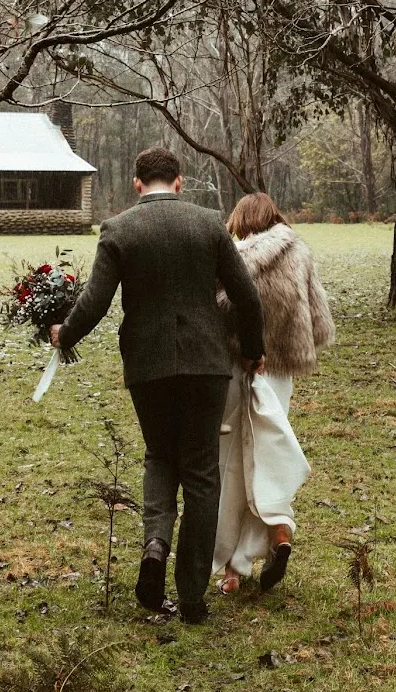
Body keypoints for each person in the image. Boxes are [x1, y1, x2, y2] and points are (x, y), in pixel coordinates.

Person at [53, 146, 265, 624]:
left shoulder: (119, 230)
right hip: (207, 365)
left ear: (136, 184)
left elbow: (95, 302)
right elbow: (247, 297)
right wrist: (253, 350)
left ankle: (155, 544)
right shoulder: (209, 224)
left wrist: (65, 335)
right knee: (201, 472)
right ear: (180, 181)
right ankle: (192, 596)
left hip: (148, 366)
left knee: (159, 456)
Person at [214, 194, 335, 594]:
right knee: (268, 451)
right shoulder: (298, 251)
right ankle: (279, 533)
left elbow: (216, 313)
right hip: (280, 373)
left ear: (241, 221)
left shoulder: (231, 258)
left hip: (236, 368)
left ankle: (233, 568)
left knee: (231, 464)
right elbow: (319, 322)